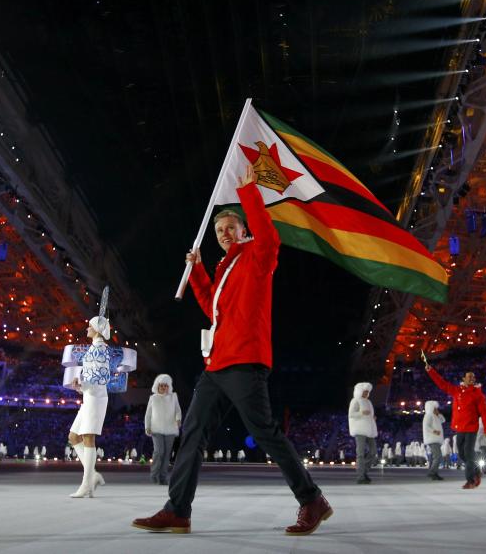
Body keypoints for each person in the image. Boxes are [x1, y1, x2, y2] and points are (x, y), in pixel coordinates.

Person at [133, 165, 330, 536]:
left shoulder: (257, 254)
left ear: (244, 230)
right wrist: (197, 271)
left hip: (245, 360)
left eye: (230, 228)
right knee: (192, 431)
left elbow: (270, 240)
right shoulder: (226, 269)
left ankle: (312, 499)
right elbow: (213, 309)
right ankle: (178, 510)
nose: (224, 234)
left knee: (266, 432)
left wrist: (248, 193)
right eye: (219, 230)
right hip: (218, 362)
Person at [66, 311, 113, 499]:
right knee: (73, 437)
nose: (87, 328)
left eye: (90, 326)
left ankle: (86, 485)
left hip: (96, 398)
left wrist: (83, 383)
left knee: (88, 438)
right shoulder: (95, 347)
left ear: (97, 330)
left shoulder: (100, 348)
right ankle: (92, 476)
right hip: (89, 397)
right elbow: (92, 376)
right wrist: (80, 385)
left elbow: (103, 377)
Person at [424, 364, 486, 489]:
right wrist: (430, 371)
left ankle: (470, 480)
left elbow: (484, 413)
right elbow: (442, 384)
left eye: (473, 377)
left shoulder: (478, 394)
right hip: (460, 427)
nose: (472, 379)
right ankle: (476, 470)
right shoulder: (457, 391)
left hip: (471, 427)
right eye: (469, 377)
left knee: (469, 453)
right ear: (464, 379)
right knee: (462, 454)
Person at [146, 374, 182, 485]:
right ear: (157, 386)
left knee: (167, 454)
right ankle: (154, 475)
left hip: (170, 429)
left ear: (168, 386)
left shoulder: (173, 397)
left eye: (165, 386)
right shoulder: (153, 398)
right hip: (156, 429)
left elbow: (178, 410)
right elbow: (148, 414)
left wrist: (178, 419)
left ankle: (163, 477)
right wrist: (147, 426)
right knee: (159, 452)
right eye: (161, 385)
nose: (163, 387)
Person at [348, 382, 378, 484]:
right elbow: (351, 414)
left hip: (369, 430)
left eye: (367, 392)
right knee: (360, 453)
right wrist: (362, 413)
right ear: (359, 392)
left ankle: (363, 472)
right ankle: (361, 476)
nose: (366, 394)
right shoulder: (355, 401)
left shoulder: (368, 402)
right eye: (364, 392)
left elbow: (368, 414)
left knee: (373, 451)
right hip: (359, 429)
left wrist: (372, 418)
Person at [422, 400, 445, 480]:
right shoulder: (428, 415)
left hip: (436, 439)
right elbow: (426, 426)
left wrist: (439, 415)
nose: (436, 409)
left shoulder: (435, 416)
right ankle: (432, 472)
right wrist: (434, 431)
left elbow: (443, 420)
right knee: (438, 456)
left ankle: (434, 473)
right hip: (432, 439)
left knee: (437, 456)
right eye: (435, 408)